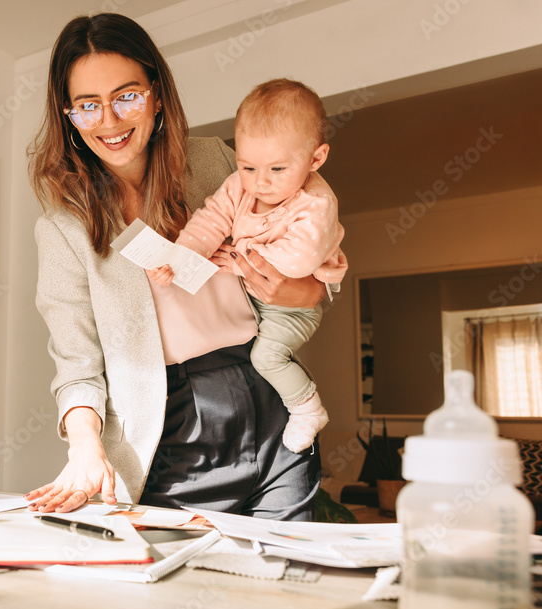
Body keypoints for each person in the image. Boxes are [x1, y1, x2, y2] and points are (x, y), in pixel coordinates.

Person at [24, 13, 326, 519]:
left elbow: (305, 226)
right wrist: (84, 445)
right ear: (69, 116)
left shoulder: (217, 162)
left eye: (127, 96)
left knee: (288, 579)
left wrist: (307, 292)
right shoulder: (64, 228)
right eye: (87, 106)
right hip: (171, 426)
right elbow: (76, 362)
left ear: (157, 94)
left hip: (268, 395)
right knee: (176, 589)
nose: (110, 120)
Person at [151, 79, 347, 453]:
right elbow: (212, 220)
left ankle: (307, 408)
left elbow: (298, 259)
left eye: (276, 169)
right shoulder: (240, 186)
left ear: (316, 159)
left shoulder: (316, 204)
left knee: (266, 356)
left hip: (289, 310)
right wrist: (182, 256)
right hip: (252, 301)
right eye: (248, 166)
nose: (261, 182)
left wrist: (238, 263)